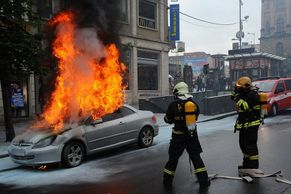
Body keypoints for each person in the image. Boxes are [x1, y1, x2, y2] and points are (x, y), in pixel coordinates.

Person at [163, 82, 210, 189]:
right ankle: (204, 181)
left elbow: (168, 120)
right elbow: (196, 116)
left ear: (177, 92)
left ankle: (167, 182)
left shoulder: (173, 105)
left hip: (178, 137)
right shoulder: (193, 104)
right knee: (196, 158)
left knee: (173, 159)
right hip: (192, 136)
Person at [231, 77, 261, 172]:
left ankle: (253, 167)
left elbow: (245, 106)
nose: (239, 89)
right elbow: (233, 97)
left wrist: (238, 97)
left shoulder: (252, 95)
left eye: (240, 87)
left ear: (246, 87)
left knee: (250, 145)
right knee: (243, 145)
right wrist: (235, 92)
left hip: (252, 124)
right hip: (245, 124)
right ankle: (246, 165)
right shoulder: (244, 94)